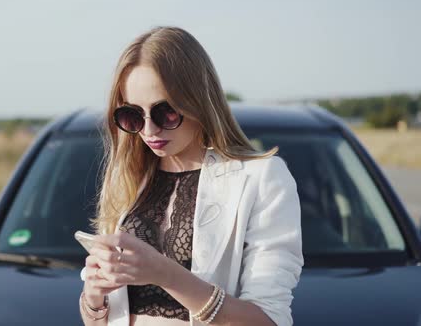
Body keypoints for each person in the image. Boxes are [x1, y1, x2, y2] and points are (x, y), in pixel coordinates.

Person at [79, 26, 303, 326]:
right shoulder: (128, 178)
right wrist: (94, 297)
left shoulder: (261, 178)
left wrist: (165, 273)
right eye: (132, 115)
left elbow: (268, 320)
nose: (149, 130)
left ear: (197, 101)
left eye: (165, 113)